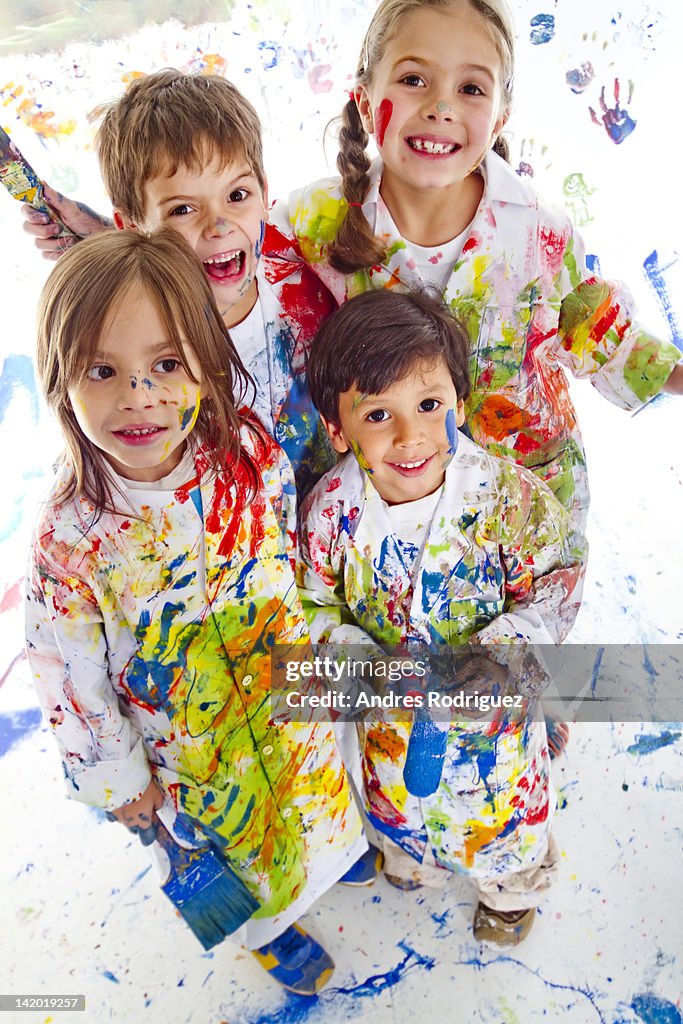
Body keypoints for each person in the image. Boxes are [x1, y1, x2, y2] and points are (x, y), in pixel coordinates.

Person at [24, 228, 368, 995]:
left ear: (208, 366)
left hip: (286, 694)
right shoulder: (71, 541)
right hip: (188, 754)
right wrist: (118, 782)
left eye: (166, 365)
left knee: (316, 798)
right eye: (102, 371)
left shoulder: (245, 451)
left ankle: (328, 863)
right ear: (58, 379)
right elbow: (67, 682)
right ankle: (268, 931)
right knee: (238, 857)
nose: (138, 396)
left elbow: (288, 543)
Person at [298, 287, 587, 945]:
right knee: (404, 817)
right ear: (336, 427)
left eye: (428, 405)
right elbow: (313, 604)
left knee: (504, 831)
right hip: (392, 730)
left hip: (494, 733)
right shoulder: (330, 514)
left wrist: (506, 646)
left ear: (457, 399)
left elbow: (557, 582)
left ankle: (507, 894)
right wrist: (359, 662)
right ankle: (411, 860)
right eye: (378, 414)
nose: (410, 436)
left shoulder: (505, 497)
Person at [24, 69, 338, 497]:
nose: (219, 225)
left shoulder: (303, 267)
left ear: (265, 193)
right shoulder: (144, 340)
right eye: (182, 210)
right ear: (131, 225)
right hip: (238, 546)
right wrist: (113, 256)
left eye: (237, 195)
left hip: (333, 529)